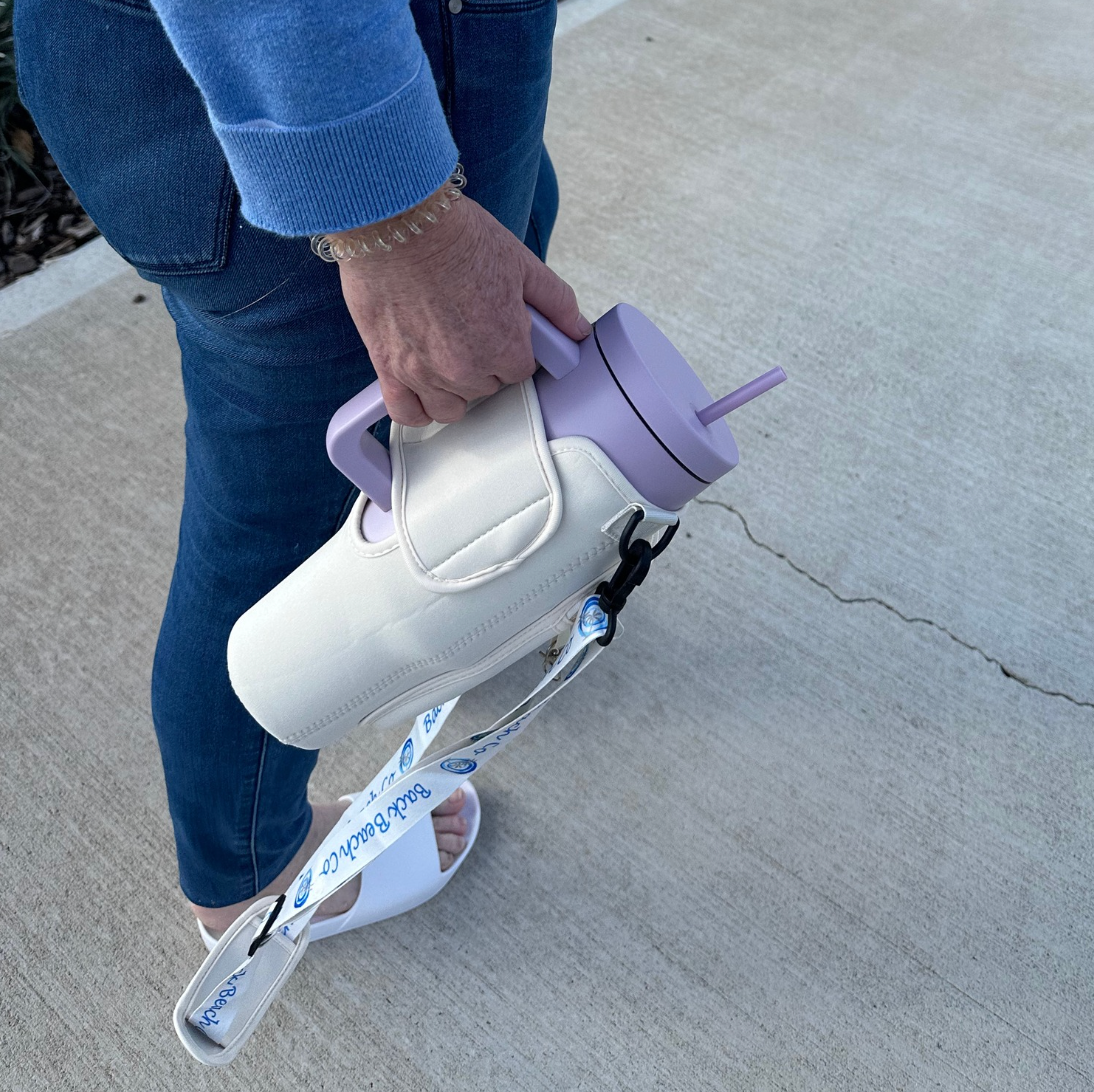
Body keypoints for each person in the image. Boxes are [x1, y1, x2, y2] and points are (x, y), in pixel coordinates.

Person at [14, 0, 588, 935]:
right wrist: (397, 221)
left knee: (493, 296)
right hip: (304, 80)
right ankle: (249, 869)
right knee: (273, 520)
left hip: (336, 66)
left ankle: (477, 581)